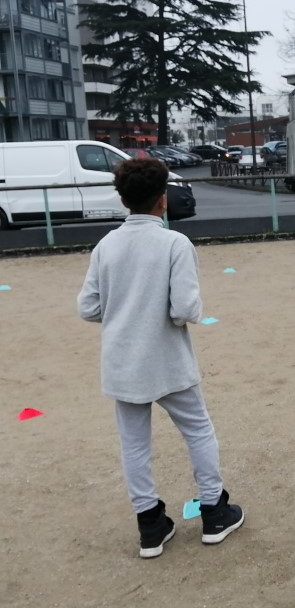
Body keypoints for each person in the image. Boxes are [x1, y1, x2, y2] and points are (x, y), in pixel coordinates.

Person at [77, 157, 244, 559]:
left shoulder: (106, 245)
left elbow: (87, 307)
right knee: (198, 430)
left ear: (123, 199)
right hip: (166, 358)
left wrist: (121, 310)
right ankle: (213, 511)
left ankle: (150, 524)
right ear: (163, 200)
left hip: (122, 361)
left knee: (134, 444)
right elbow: (184, 309)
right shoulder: (174, 243)